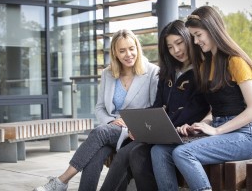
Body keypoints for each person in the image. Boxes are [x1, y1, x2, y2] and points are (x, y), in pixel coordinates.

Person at [151, 5, 252, 191]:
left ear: (212, 30)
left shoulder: (236, 62)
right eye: (193, 36)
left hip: (245, 135)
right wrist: (200, 125)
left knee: (183, 153)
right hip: (219, 128)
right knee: (159, 151)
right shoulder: (205, 66)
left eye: (197, 35)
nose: (195, 41)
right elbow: (215, 109)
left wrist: (217, 132)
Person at [33, 29, 159, 191]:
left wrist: (133, 123)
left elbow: (155, 107)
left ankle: (61, 181)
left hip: (134, 133)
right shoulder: (108, 74)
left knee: (99, 133)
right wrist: (110, 121)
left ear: (137, 48)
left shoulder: (152, 72)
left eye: (131, 48)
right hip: (112, 127)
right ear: (115, 53)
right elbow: (100, 107)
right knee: (96, 154)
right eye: (122, 51)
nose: (128, 54)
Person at [99, 20, 210, 191]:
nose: (176, 51)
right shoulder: (167, 72)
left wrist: (164, 125)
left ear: (189, 39)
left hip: (187, 134)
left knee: (133, 153)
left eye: (179, 43)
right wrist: (138, 125)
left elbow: (196, 110)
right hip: (163, 131)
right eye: (170, 47)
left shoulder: (203, 71)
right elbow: (158, 105)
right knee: (132, 153)